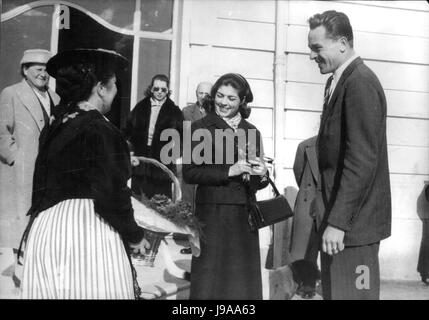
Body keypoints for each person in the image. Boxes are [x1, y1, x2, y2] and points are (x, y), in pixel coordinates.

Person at [18, 48, 149, 299]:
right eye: (113, 85)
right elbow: (112, 195)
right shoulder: (102, 129)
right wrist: (135, 235)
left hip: (47, 231)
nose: (115, 92)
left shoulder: (57, 125)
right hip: (86, 235)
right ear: (101, 88)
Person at [307, 11, 391, 299]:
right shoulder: (339, 81)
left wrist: (338, 223)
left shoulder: (359, 83)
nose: (312, 56)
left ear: (342, 43)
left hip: (352, 233)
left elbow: (362, 161)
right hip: (340, 230)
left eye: (317, 48)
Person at [183, 73, 269, 300]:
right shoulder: (200, 127)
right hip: (212, 215)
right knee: (210, 282)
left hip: (243, 216)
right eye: (220, 96)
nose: (223, 102)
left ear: (242, 101)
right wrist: (229, 171)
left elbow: (254, 182)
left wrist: (262, 175)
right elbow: (190, 173)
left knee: (241, 283)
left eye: (231, 99)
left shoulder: (252, 131)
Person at [0, 49, 60, 249]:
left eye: (47, 70)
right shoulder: (12, 93)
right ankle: (20, 267)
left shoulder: (55, 97)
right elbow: (2, 132)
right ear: (25, 70)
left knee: (43, 220)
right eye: (38, 69)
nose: (43, 74)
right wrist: (15, 158)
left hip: (48, 171)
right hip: (24, 171)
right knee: (21, 220)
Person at [125, 74, 183, 199]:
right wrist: (129, 151)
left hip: (162, 164)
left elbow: (183, 137)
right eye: (156, 89)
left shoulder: (175, 111)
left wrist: (174, 154)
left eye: (163, 89)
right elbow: (127, 130)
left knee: (160, 202)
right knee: (138, 200)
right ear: (151, 89)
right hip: (141, 161)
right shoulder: (140, 108)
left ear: (168, 91)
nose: (160, 92)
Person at [179, 81, 212, 254]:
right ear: (196, 94)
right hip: (191, 160)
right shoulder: (186, 112)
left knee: (205, 201)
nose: (203, 96)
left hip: (209, 163)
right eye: (200, 93)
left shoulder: (216, 111)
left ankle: (205, 241)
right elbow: (184, 136)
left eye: (207, 93)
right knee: (189, 201)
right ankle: (191, 242)